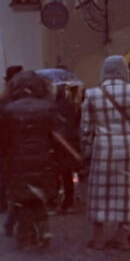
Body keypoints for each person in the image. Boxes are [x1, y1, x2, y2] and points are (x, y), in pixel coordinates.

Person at [81, 55, 130, 250]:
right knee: (127, 192)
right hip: (129, 148)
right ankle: (122, 237)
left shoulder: (93, 94)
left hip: (103, 149)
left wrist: (85, 149)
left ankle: (99, 237)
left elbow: (86, 128)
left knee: (100, 191)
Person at [0, 71, 60, 250]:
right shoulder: (49, 107)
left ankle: (25, 237)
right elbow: (56, 135)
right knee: (38, 197)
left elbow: (2, 139)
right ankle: (43, 228)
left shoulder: (8, 109)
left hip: (18, 160)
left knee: (23, 200)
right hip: (43, 158)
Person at [0, 65, 23, 217]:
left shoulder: (4, 98)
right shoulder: (4, 99)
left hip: (7, 142)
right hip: (5, 142)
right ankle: (3, 205)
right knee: (4, 174)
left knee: (5, 175)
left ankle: (4, 205)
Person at [53, 84, 82, 213]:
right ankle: (69, 202)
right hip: (69, 143)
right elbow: (76, 122)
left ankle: (56, 201)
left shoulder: (52, 107)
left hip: (57, 144)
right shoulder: (70, 106)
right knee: (67, 175)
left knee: (56, 173)